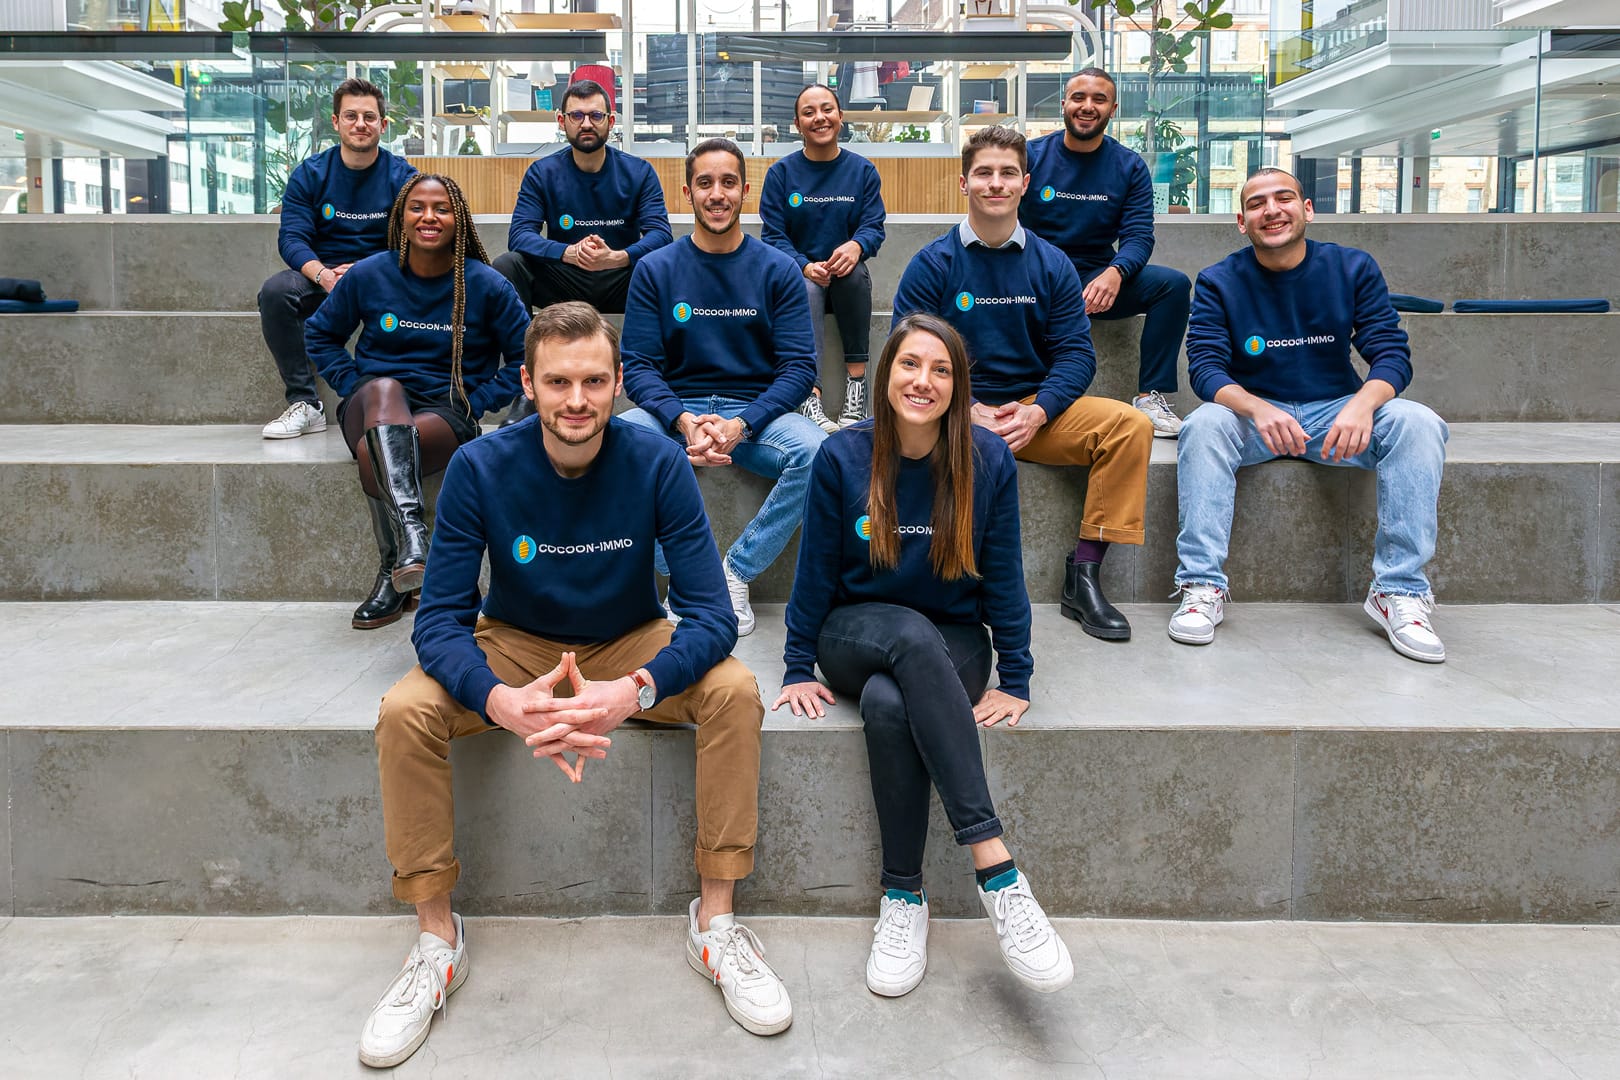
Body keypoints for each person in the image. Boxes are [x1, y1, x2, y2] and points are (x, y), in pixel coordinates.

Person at [358, 303, 789, 1068]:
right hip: (515, 645)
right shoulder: (480, 465)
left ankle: (715, 923)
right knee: (404, 709)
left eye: (593, 381)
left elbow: (712, 616)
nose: (577, 400)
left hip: (629, 640)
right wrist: (498, 701)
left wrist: (636, 689)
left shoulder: (656, 461)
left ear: (619, 382)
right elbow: (440, 622)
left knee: (734, 689)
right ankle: (436, 941)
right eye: (558, 382)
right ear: (527, 383)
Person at [774, 313, 1072, 998]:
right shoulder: (842, 456)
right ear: (886, 375)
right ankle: (998, 871)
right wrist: (795, 665)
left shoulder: (986, 459)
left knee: (887, 703)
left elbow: (1003, 575)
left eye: (941, 370)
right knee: (905, 635)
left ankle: (903, 898)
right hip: (853, 631)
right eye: (910, 364)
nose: (923, 381)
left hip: (954, 639)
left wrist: (1016, 675)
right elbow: (814, 572)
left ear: (958, 386)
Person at [1171, 168, 1450, 662]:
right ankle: (1201, 586)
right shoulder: (1218, 280)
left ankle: (1399, 591)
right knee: (1203, 424)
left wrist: (1362, 405)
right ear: (1241, 221)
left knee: (1418, 422)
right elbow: (1206, 368)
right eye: (1256, 203)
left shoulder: (1351, 267)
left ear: (1307, 210)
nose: (1271, 210)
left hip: (1337, 413)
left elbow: (1390, 353)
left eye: (1283, 198)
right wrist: (1257, 408)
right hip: (1255, 419)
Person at [892, 125, 1154, 641]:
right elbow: (907, 358)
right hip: (952, 412)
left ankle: (1084, 575)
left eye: (1008, 173)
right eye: (984, 173)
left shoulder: (1052, 264)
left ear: (1025, 183)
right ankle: (935, 580)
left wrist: (1040, 410)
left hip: (1032, 412)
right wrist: (964, 409)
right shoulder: (933, 264)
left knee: (1130, 426)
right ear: (963, 183)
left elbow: (1076, 352)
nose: (996, 183)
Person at [619, 137, 824, 637]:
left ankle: (735, 570)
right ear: (687, 192)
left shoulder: (778, 269)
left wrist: (742, 424)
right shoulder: (655, 269)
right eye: (705, 183)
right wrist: (681, 419)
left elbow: (800, 368)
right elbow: (639, 366)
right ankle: (689, 575)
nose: (717, 194)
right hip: (676, 412)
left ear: (745, 191)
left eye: (728, 183)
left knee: (819, 452)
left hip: (758, 416)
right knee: (615, 442)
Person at [306, 174, 529, 630]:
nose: (429, 217)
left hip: (443, 411)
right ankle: (413, 535)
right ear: (401, 217)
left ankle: (394, 569)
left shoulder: (485, 284)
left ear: (458, 219)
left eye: (441, 208)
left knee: (372, 451)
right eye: (417, 207)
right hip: (369, 402)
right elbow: (320, 334)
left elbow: (527, 357)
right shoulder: (371, 273)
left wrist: (477, 400)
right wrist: (351, 382)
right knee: (384, 389)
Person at [1020, 68, 1191, 439]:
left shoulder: (1129, 166)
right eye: (1078, 97)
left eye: (1099, 99)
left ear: (1113, 109)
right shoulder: (1031, 157)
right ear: (1063, 104)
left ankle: (1150, 397)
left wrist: (1116, 272)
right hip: (1035, 278)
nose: (1087, 106)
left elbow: (1138, 236)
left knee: (1173, 285)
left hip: (1094, 280)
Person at [493, 77, 672, 423]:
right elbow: (520, 236)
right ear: (562, 122)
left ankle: (657, 386)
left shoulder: (639, 172)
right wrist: (568, 253)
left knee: (666, 265)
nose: (586, 123)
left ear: (611, 121)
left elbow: (661, 235)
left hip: (622, 278)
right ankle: (523, 385)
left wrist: (618, 257)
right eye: (576, 115)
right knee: (508, 264)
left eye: (595, 115)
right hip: (565, 280)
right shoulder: (542, 172)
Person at [259, 77, 416, 439]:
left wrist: (366, 271)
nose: (360, 124)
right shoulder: (310, 174)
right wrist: (324, 275)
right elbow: (292, 238)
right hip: (323, 276)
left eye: (369, 117)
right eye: (351, 116)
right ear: (336, 122)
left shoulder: (403, 177)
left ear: (383, 125)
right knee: (276, 292)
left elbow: (415, 241)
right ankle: (306, 404)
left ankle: (406, 401)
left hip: (383, 275)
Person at [759, 84, 886, 433]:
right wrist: (803, 264)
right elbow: (773, 235)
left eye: (827, 110)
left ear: (841, 117)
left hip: (847, 278)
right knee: (807, 287)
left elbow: (874, 226)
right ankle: (809, 394)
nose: (820, 118)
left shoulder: (862, 171)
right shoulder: (781, 174)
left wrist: (856, 246)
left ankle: (857, 386)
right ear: (797, 124)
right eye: (809, 112)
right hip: (800, 278)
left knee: (854, 275)